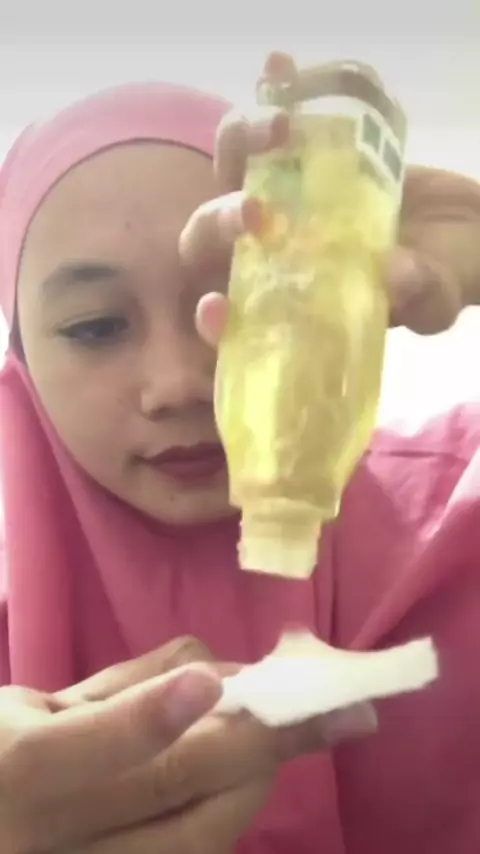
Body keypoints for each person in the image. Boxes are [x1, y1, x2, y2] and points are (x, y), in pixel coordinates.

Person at [0, 51, 479, 853]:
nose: (178, 383)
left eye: (239, 295)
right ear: (22, 361)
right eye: (96, 326)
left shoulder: (459, 524)